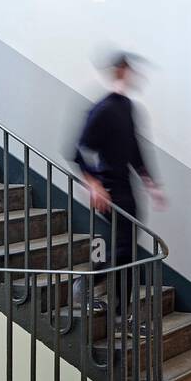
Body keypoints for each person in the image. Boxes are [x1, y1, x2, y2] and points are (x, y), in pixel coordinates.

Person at [72, 53, 164, 316]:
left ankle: (121, 312)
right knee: (124, 250)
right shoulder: (103, 109)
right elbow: (78, 150)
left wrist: (150, 183)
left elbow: (134, 148)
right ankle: (89, 284)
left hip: (127, 188)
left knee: (128, 252)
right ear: (120, 71)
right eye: (129, 70)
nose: (134, 75)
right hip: (111, 191)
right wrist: (94, 184)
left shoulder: (127, 107)